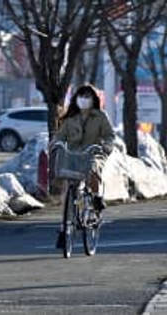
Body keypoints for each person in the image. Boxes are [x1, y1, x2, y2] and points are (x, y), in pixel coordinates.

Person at [52, 84, 115, 247]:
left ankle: (95, 200)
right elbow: (60, 136)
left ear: (94, 99)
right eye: (82, 96)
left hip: (94, 152)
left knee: (93, 172)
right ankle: (64, 226)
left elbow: (109, 135)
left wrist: (106, 146)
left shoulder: (100, 117)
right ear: (76, 99)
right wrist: (56, 144)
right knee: (67, 186)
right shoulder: (70, 118)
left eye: (88, 96)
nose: (84, 100)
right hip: (73, 154)